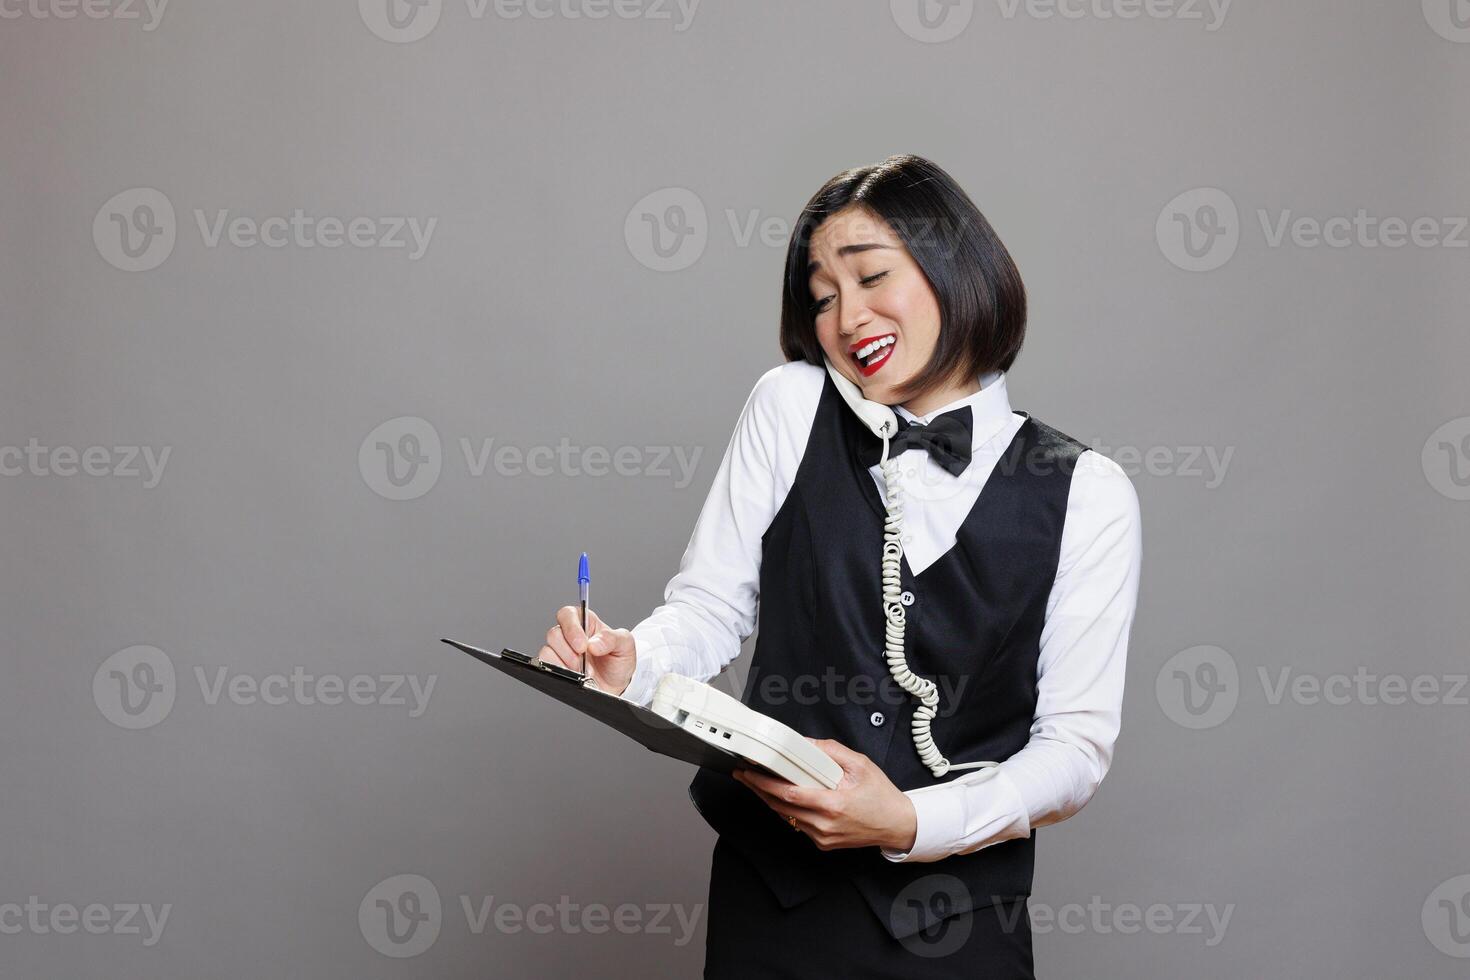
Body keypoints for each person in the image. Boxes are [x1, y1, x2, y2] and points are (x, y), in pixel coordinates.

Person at [538, 153, 1142, 977]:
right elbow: (711, 607)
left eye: (869, 277)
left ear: (954, 269)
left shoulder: (1090, 492)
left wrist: (907, 822)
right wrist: (634, 661)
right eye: (822, 297)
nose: (846, 316)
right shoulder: (789, 406)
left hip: (961, 928)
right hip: (777, 905)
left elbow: (1073, 751)